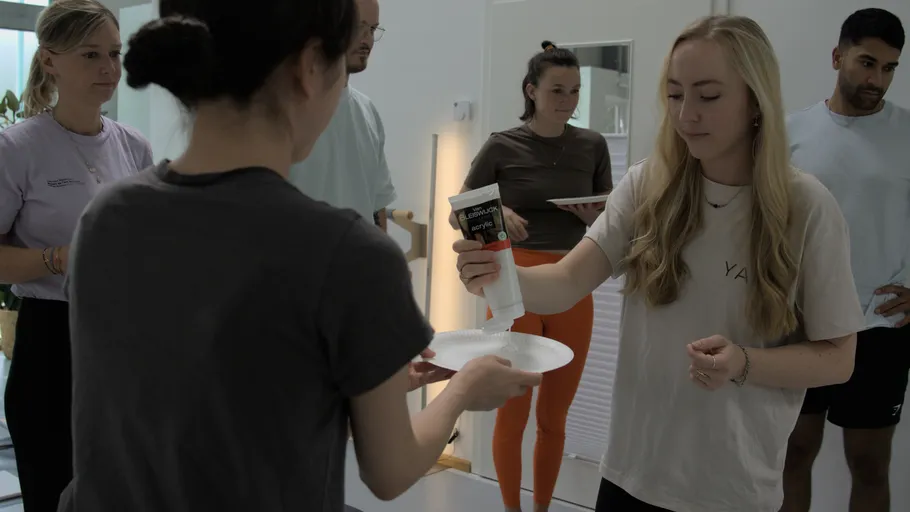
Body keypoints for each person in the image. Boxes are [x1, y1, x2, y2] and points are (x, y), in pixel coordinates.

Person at [57, 1, 542, 511]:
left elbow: (192, 392)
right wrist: (464, 388)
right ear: (311, 67)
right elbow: (390, 470)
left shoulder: (105, 219)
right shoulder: (349, 255)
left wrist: (352, 379)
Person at [455, 15, 865, 512]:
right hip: (632, 475)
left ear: (756, 100)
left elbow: (839, 359)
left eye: (708, 96)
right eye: (674, 95)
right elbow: (567, 280)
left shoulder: (807, 208)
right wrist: (500, 275)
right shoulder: (649, 185)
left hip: (733, 489)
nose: (686, 114)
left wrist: (745, 362)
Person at [0, 1, 152, 510]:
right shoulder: (17, 148)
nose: (109, 69)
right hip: (50, 341)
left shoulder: (134, 146)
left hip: (125, 341)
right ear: (50, 61)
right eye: (91, 55)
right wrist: (61, 258)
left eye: (114, 53)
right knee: (53, 494)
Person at [448, 40, 612, 512]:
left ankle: (541, 508)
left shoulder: (592, 145)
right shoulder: (503, 144)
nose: (567, 100)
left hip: (573, 280)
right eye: (557, 89)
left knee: (554, 415)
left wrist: (590, 218)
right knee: (512, 411)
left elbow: (609, 220)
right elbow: (460, 214)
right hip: (511, 279)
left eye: (575, 91)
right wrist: (496, 211)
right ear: (532, 91)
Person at [781, 9, 908, 512]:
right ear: (838, 57)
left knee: (870, 463)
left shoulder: (905, 135)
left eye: (891, 68)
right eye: (867, 63)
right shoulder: (791, 134)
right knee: (793, 451)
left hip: (879, 324)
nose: (878, 79)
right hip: (799, 321)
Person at [288, 0, 396, 231]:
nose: (367, 39)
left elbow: (376, 206)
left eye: (373, 29)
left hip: (358, 263)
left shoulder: (368, 112)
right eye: (359, 27)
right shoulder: (288, 108)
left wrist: (380, 262)